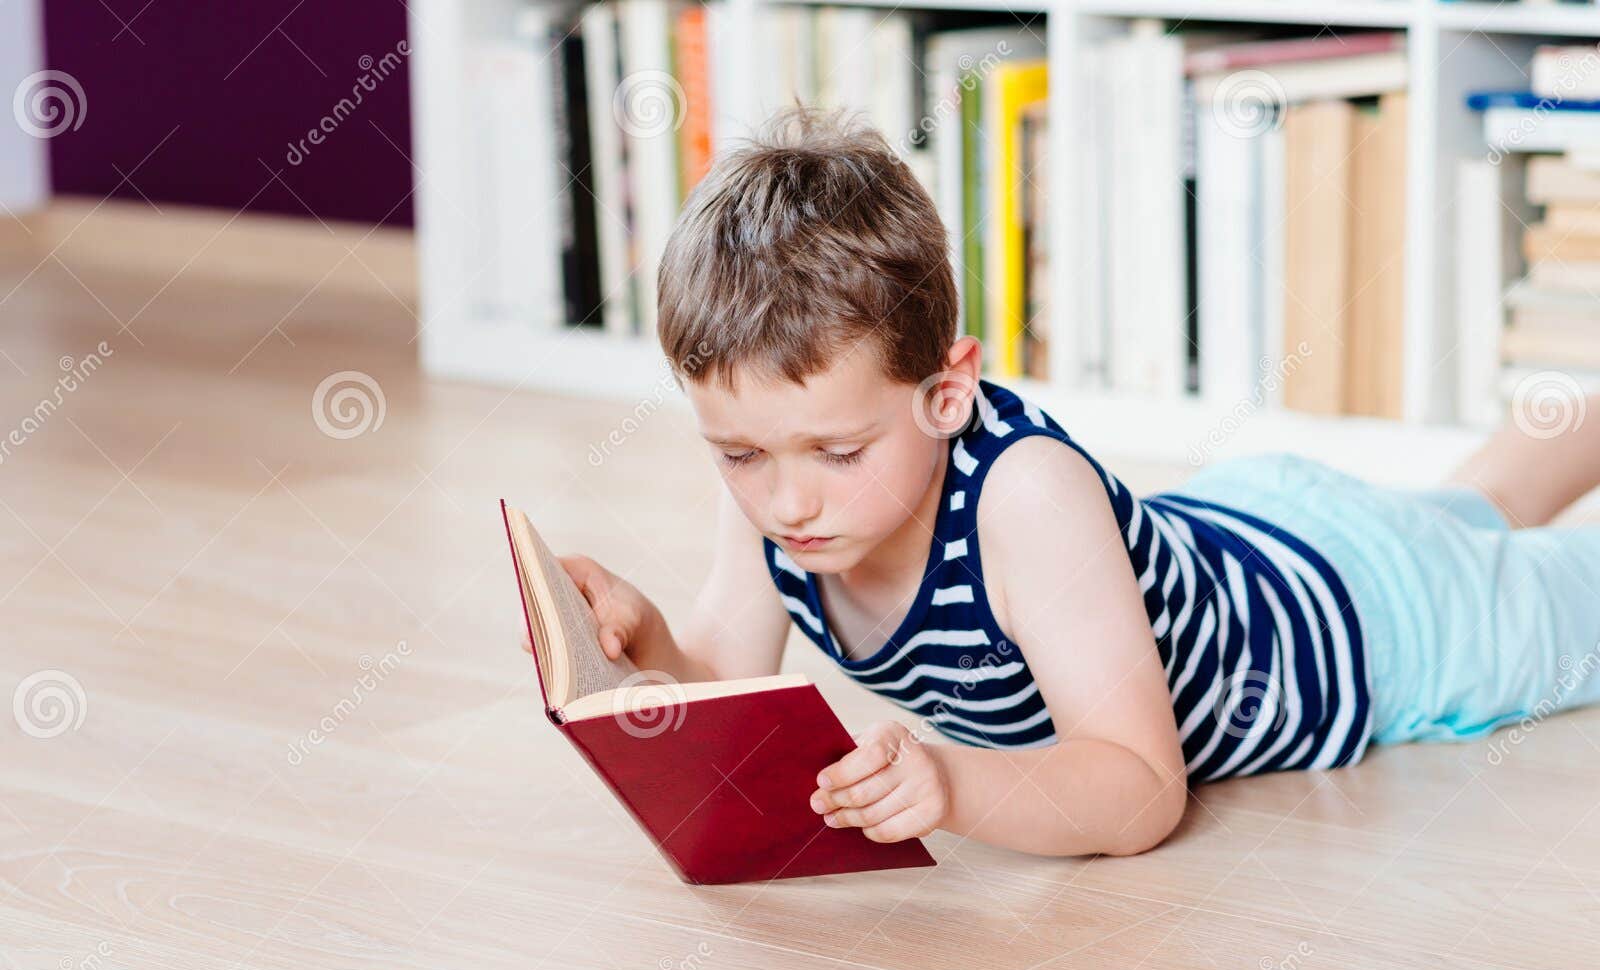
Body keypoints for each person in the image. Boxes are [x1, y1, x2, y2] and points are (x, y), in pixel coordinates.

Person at [537, 107, 1600, 859]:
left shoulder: (1024, 501)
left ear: (947, 393)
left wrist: (954, 784)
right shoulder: (784, 491)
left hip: (1368, 624)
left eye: (837, 453)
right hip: (1256, 528)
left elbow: (1139, 790)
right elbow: (731, 680)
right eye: (738, 455)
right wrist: (647, 652)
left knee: (1549, 586)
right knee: (1478, 514)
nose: (786, 504)